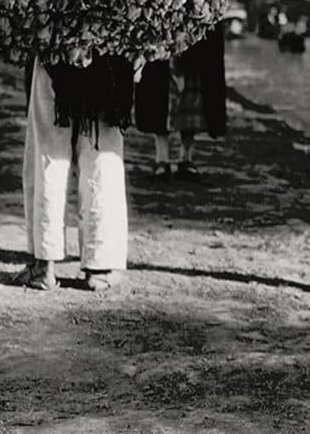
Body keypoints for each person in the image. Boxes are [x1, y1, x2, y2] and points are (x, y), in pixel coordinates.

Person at [13, 53, 134, 291]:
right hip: (109, 61)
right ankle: (101, 268)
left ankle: (43, 264)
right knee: (102, 157)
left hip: (55, 57)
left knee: (48, 157)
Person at [134, 22, 227, 182]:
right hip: (162, 34)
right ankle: (162, 159)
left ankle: (186, 158)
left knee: (191, 103)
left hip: (195, 40)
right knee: (159, 97)